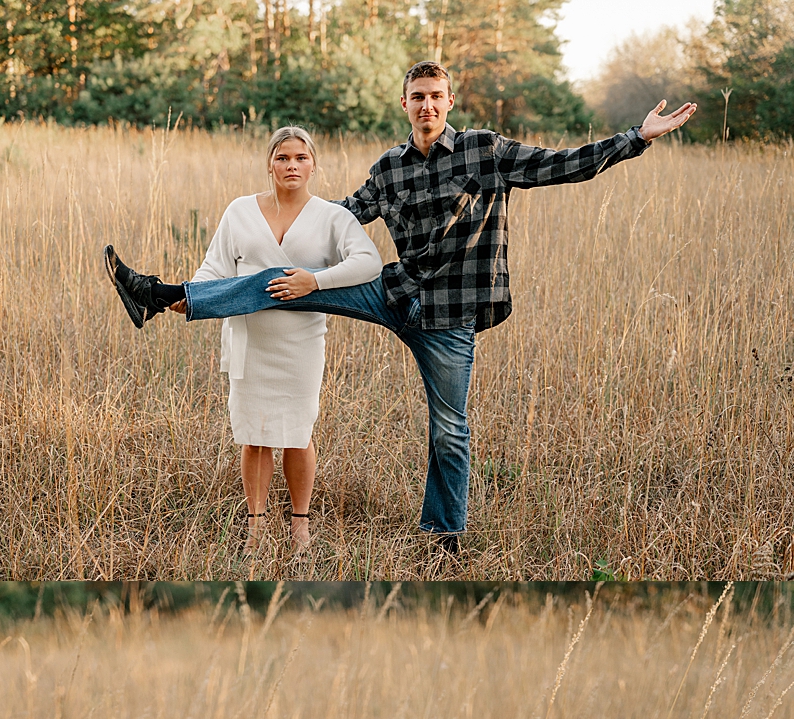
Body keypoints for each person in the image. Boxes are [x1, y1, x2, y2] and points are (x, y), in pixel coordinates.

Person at [105, 68, 697, 548]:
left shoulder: (486, 153)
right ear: (405, 103)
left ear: (450, 101)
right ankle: (157, 296)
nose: (427, 106)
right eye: (418, 97)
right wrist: (285, 211)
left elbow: (562, 165)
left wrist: (635, 139)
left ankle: (443, 534)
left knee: (449, 428)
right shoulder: (389, 167)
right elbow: (339, 217)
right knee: (285, 279)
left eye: (437, 97)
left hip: (449, 317)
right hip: (392, 294)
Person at [175, 125, 381, 552]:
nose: (292, 165)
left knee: (298, 432)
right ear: (269, 164)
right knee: (255, 434)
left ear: (313, 164)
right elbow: (214, 269)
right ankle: (255, 525)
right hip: (250, 337)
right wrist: (195, 298)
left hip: (301, 340)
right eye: (283, 158)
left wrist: (316, 281)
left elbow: (369, 262)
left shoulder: (331, 217)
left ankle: (299, 524)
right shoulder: (240, 211)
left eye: (300, 158)